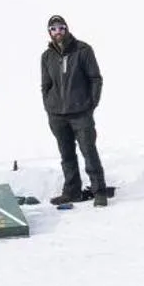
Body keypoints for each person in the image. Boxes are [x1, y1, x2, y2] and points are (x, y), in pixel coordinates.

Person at [42, 14, 110, 206]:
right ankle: (72, 192)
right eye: (54, 29)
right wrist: (49, 106)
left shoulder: (83, 50)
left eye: (61, 28)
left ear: (67, 29)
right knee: (67, 155)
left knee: (89, 151)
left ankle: (99, 191)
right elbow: (45, 84)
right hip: (57, 115)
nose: (58, 32)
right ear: (49, 32)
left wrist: (91, 104)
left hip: (81, 113)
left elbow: (96, 79)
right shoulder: (47, 56)